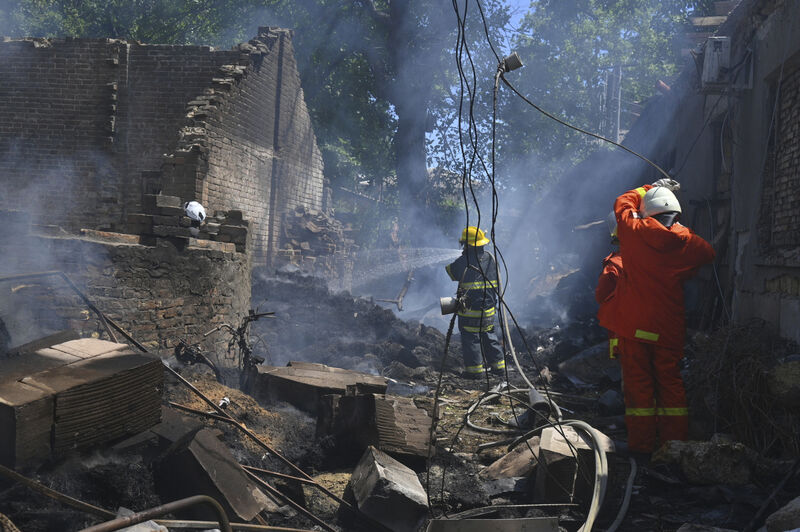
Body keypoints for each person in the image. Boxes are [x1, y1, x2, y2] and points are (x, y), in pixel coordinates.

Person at [611, 178, 715, 454]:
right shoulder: (688, 242)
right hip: (667, 327)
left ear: (648, 212)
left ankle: (642, 447)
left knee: (639, 386)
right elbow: (709, 253)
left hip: (634, 325)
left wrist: (648, 187)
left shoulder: (632, 230)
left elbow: (623, 202)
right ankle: (674, 445)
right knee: (670, 383)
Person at [445, 226, 506, 378]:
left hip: (470, 311)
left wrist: (460, 258)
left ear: (469, 245)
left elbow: (451, 272)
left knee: (471, 339)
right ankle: (498, 367)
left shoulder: (464, 261)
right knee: (489, 335)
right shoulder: (491, 258)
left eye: (465, 244)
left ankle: (475, 372)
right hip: (489, 309)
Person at [596, 211, 623, 360]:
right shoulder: (656, 258)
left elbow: (601, 295)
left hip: (625, 333)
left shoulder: (615, 265)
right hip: (661, 331)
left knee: (631, 373)